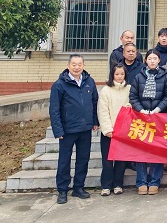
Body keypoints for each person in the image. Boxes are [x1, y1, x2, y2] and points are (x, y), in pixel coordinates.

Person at [49, 54, 98, 204]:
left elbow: (95, 102)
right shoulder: (59, 84)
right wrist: (58, 130)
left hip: (85, 129)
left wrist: (94, 121)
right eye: (74, 64)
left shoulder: (89, 81)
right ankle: (62, 190)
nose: (77, 67)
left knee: (83, 159)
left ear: (83, 65)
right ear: (68, 65)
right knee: (64, 161)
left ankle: (78, 187)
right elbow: (54, 109)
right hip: (67, 130)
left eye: (79, 64)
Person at [129, 49, 167, 195]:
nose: (152, 61)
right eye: (150, 59)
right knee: (141, 150)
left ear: (159, 60)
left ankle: (154, 181)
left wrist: (157, 110)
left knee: (156, 150)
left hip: (158, 118)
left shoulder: (165, 77)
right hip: (141, 118)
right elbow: (133, 96)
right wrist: (141, 110)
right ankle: (141, 181)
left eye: (155, 58)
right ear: (146, 61)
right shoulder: (138, 77)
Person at [97, 63, 130, 196]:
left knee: (121, 160)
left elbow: (132, 105)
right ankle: (106, 185)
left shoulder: (129, 89)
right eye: (117, 74)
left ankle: (118, 184)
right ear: (112, 75)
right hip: (109, 132)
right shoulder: (106, 90)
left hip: (123, 132)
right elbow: (102, 111)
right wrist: (107, 129)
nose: (119, 76)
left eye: (122, 74)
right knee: (107, 160)